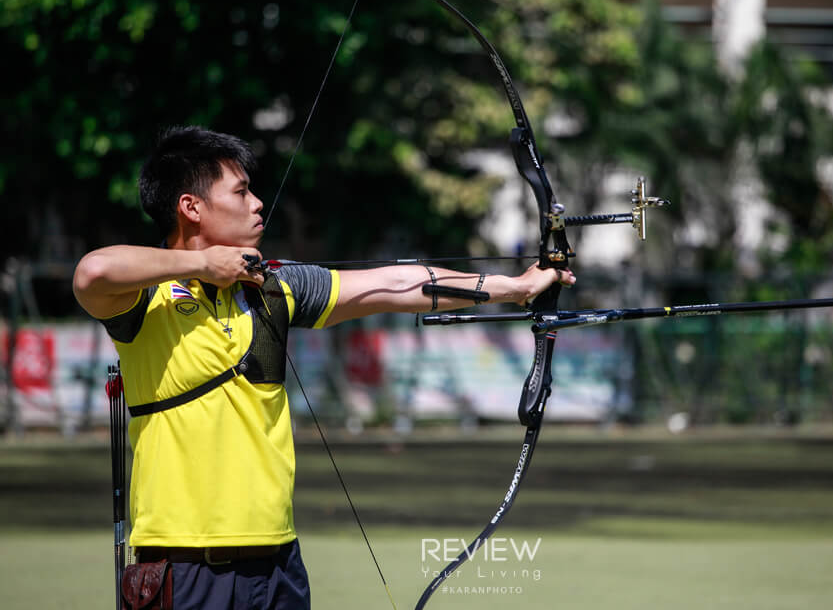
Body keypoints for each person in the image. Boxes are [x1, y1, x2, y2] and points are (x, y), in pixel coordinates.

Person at [72, 125, 575, 610]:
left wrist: (516, 286)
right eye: (242, 191)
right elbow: (93, 271)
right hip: (185, 565)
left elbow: (400, 285)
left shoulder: (273, 288)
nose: (257, 204)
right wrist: (203, 266)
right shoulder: (145, 302)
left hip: (278, 560)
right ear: (191, 208)